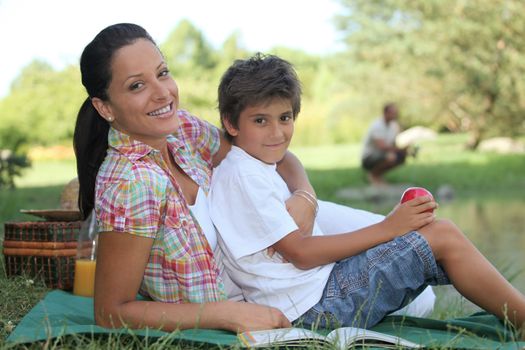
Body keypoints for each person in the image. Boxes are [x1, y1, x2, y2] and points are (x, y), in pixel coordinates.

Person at [209, 53, 525, 333]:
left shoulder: (251, 162)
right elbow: (301, 254)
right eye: (261, 120)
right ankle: (521, 319)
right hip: (315, 308)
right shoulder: (243, 176)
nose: (277, 133)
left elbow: (286, 159)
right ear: (230, 123)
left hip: (318, 292)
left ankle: (516, 314)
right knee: (441, 236)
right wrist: (388, 229)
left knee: (435, 237)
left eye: (285, 118)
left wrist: (391, 232)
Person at [73, 23, 327, 333]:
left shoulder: (181, 129)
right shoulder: (130, 183)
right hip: (280, 279)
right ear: (105, 107)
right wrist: (224, 314)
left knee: (390, 236)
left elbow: (266, 148)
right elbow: (111, 312)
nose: (162, 92)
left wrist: (305, 194)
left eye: (162, 73)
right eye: (137, 86)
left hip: (286, 235)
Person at [361, 103, 413, 185]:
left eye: (396, 113)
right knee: (391, 157)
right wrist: (399, 149)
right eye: (393, 113)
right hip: (369, 157)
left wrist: (406, 148)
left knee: (401, 157)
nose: (395, 115)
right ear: (385, 113)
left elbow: (398, 140)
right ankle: (373, 175)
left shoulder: (394, 125)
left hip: (384, 154)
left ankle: (378, 175)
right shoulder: (377, 125)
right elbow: (381, 146)